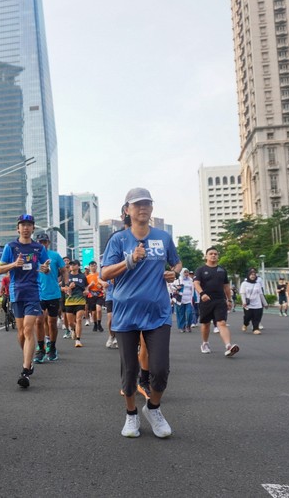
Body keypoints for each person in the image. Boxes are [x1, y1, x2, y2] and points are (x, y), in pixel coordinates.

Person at [102, 187, 181, 439]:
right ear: (127, 210)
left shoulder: (163, 237)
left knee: (160, 369)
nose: (143, 207)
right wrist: (129, 261)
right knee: (129, 371)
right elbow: (104, 273)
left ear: (152, 208)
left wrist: (174, 272)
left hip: (158, 312)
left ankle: (153, 408)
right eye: (137, 204)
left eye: (147, 203)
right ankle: (131, 414)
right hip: (126, 313)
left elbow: (176, 261)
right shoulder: (118, 240)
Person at [0, 214, 50, 388]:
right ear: (18, 228)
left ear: (33, 228)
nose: (26, 227)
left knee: (28, 329)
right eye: (23, 225)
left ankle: (25, 371)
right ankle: (29, 359)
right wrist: (14, 264)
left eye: (29, 225)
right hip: (16, 293)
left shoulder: (38, 248)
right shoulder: (10, 247)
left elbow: (45, 268)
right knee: (21, 333)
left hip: (33, 292)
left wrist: (45, 269)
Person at [193, 247, 240, 357]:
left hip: (220, 300)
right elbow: (196, 283)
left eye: (215, 254)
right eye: (211, 254)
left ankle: (229, 346)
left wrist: (229, 300)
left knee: (221, 323)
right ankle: (205, 343)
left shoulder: (222, 270)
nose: (213, 255)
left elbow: (226, 286)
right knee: (206, 324)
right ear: (206, 256)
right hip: (206, 300)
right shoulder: (200, 270)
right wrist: (202, 294)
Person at [34, 233, 67, 362]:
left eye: (44, 242)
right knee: (39, 321)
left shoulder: (55, 255)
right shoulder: (33, 256)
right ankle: (41, 349)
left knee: (52, 322)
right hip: (38, 293)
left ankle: (52, 347)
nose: (42, 244)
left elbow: (64, 270)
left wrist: (66, 284)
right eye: (40, 242)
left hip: (53, 293)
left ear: (48, 243)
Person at [62, 260, 88, 347]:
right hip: (69, 301)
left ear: (78, 266)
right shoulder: (67, 276)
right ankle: (73, 330)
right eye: (71, 265)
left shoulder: (82, 276)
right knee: (71, 323)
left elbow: (86, 286)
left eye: (74, 264)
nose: (72, 266)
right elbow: (63, 288)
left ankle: (78, 340)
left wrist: (86, 291)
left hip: (80, 300)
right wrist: (69, 287)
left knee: (79, 320)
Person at [240, 268, 267, 335]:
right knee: (247, 317)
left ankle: (255, 329)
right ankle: (245, 324)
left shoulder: (258, 284)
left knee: (257, 317)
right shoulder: (244, 284)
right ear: (248, 275)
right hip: (248, 304)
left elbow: (261, 294)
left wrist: (265, 303)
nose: (253, 276)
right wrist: (244, 302)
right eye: (251, 274)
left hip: (257, 304)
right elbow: (242, 293)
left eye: (254, 275)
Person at [86, 261, 107, 332]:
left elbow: (104, 284)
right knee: (93, 312)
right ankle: (95, 324)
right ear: (89, 267)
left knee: (99, 309)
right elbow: (85, 288)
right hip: (91, 295)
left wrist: (101, 287)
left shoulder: (100, 275)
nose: (93, 267)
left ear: (97, 266)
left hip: (99, 294)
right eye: (92, 266)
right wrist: (90, 285)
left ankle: (99, 324)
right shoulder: (87, 277)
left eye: (94, 265)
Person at [173, 268, 194, 333]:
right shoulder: (178, 280)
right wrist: (176, 289)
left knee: (189, 313)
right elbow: (172, 287)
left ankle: (188, 326)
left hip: (189, 300)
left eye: (187, 272)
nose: (186, 273)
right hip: (180, 300)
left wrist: (194, 298)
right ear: (182, 273)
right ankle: (182, 327)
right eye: (185, 272)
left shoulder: (190, 280)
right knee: (181, 314)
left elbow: (193, 289)